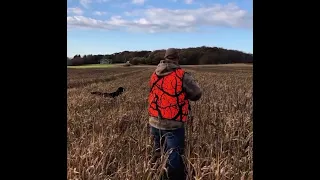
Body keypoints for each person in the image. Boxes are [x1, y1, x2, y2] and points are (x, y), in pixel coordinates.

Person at [148, 48, 202, 180]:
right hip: (173, 122)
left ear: (165, 58)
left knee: (158, 152)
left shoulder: (155, 73)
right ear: (177, 58)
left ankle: (157, 175)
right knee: (174, 156)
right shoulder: (181, 75)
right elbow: (197, 94)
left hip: (154, 121)